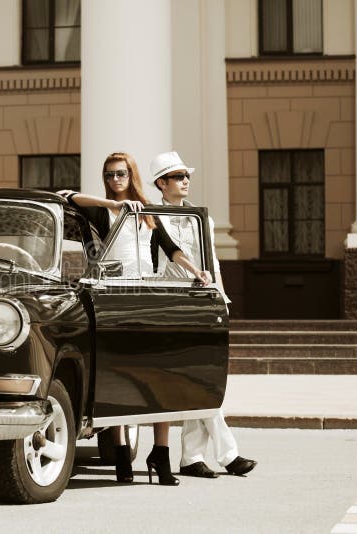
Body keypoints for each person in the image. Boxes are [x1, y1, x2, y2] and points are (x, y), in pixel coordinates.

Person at [58, 152, 211, 486]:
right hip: (115, 295)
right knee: (121, 374)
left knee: (158, 375)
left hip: (147, 295)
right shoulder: (103, 211)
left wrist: (196, 271)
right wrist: (111, 205)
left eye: (121, 174)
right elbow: (66, 197)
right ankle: (122, 453)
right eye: (110, 175)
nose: (115, 180)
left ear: (132, 174)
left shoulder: (148, 213)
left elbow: (172, 250)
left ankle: (161, 452)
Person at [149, 150, 257, 478]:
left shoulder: (203, 218)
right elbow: (163, 254)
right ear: (162, 183)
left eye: (186, 176)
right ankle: (228, 455)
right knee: (194, 378)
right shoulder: (154, 217)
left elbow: (213, 261)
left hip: (203, 299)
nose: (185, 181)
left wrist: (221, 297)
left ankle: (192, 458)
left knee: (203, 378)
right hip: (171, 301)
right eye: (178, 177)